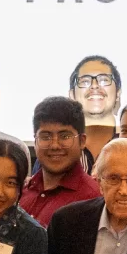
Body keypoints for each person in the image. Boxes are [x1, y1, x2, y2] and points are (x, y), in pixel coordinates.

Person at [21, 96, 101, 224]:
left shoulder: (94, 199)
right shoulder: (21, 191)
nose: (54, 145)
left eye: (65, 136)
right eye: (46, 136)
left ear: (82, 141)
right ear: (35, 140)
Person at [71, 56, 123, 162]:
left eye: (104, 80)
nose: (94, 86)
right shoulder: (59, 148)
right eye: (84, 81)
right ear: (72, 95)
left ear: (118, 93)